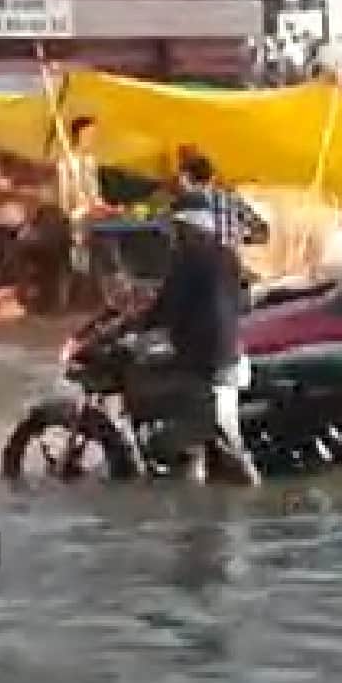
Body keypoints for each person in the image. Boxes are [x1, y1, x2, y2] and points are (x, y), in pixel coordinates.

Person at [136, 199, 260, 486]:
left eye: (177, 228)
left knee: (175, 421)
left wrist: (138, 325)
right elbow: (242, 301)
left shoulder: (189, 258)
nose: (173, 235)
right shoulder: (227, 256)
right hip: (231, 353)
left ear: (188, 227)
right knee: (222, 435)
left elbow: (169, 307)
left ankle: (169, 452)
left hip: (203, 358)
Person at [175, 153, 270, 249]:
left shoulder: (183, 206)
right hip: (226, 259)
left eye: (183, 184)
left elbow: (262, 233)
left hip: (204, 259)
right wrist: (237, 240)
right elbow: (262, 233)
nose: (181, 187)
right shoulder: (231, 198)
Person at [55, 116, 104, 223]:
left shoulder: (90, 160)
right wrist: (69, 210)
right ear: (78, 135)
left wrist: (97, 203)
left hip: (92, 214)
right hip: (73, 216)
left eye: (93, 134)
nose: (91, 138)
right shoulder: (65, 161)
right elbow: (63, 193)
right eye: (88, 134)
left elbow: (94, 188)